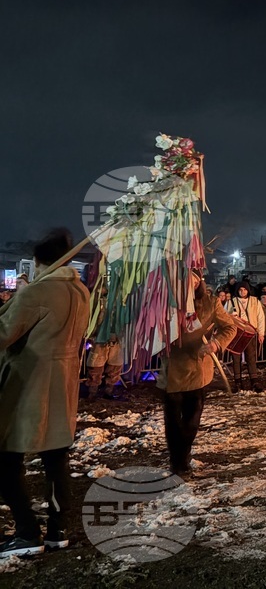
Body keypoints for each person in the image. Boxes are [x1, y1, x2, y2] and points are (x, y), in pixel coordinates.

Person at [0, 229, 90, 556]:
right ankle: (57, 529)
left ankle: (26, 530)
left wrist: (19, 300)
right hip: (62, 386)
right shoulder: (80, 291)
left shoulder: (37, 293)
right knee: (55, 459)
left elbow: (4, 334)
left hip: (29, 387)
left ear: (40, 262)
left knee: (6, 461)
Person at [157, 269, 236, 476]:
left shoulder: (210, 302)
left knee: (191, 420)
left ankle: (183, 453)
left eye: (191, 278)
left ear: (198, 279)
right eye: (182, 277)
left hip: (198, 368)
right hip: (172, 368)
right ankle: (177, 460)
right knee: (173, 420)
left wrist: (215, 344)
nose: (187, 282)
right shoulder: (164, 302)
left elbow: (230, 327)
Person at [227, 282, 266, 392]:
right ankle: (238, 382)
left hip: (250, 333)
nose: (242, 292)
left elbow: (260, 317)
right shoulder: (232, 302)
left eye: (244, 290)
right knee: (236, 358)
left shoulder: (255, 301)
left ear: (248, 290)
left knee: (251, 357)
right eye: (240, 290)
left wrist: (261, 333)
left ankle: (254, 381)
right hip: (236, 334)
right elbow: (225, 316)